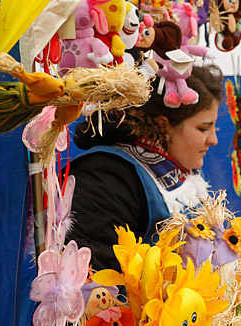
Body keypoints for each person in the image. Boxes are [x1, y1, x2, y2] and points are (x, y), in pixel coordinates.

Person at [67, 64, 223, 271]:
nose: (213, 140)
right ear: (162, 125)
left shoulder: (183, 169)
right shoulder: (106, 176)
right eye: (203, 128)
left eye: (214, 127)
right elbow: (97, 280)